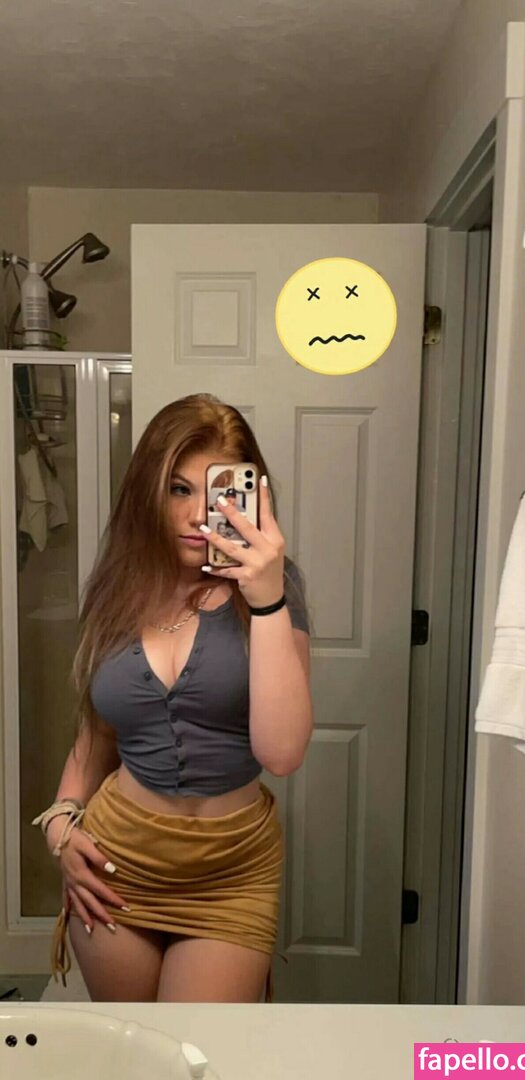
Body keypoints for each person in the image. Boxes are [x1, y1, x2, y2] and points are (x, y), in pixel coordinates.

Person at [33, 393, 313, 1003]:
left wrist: (266, 597)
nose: (195, 515)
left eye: (215, 493)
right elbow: (98, 734)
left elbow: (283, 752)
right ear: (148, 493)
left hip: (231, 870)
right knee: (132, 1045)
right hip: (116, 859)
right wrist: (60, 825)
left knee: (196, 1050)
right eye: (177, 489)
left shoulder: (274, 588)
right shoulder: (116, 588)